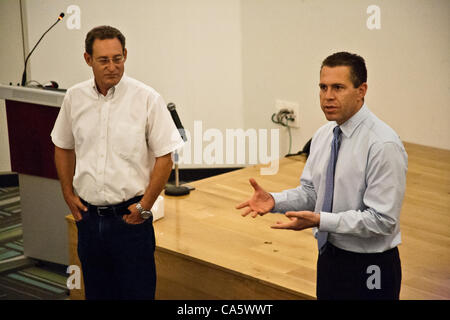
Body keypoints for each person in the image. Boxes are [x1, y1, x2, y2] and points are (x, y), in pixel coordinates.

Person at [236, 52, 407, 300]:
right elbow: (312, 192)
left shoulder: (383, 145)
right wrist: (275, 201)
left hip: (371, 267)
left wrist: (321, 221)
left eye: (338, 87)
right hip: (330, 257)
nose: (328, 96)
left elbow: (382, 220)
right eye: (323, 87)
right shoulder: (324, 135)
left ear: (362, 90)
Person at [51, 25, 184, 300]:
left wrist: (144, 206)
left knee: (137, 294)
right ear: (88, 59)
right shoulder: (74, 98)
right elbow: (63, 146)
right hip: (88, 218)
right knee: (97, 294)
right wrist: (67, 193)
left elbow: (165, 157)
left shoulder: (147, 98)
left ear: (125, 55)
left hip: (131, 220)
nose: (112, 66)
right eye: (103, 60)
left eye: (118, 58)